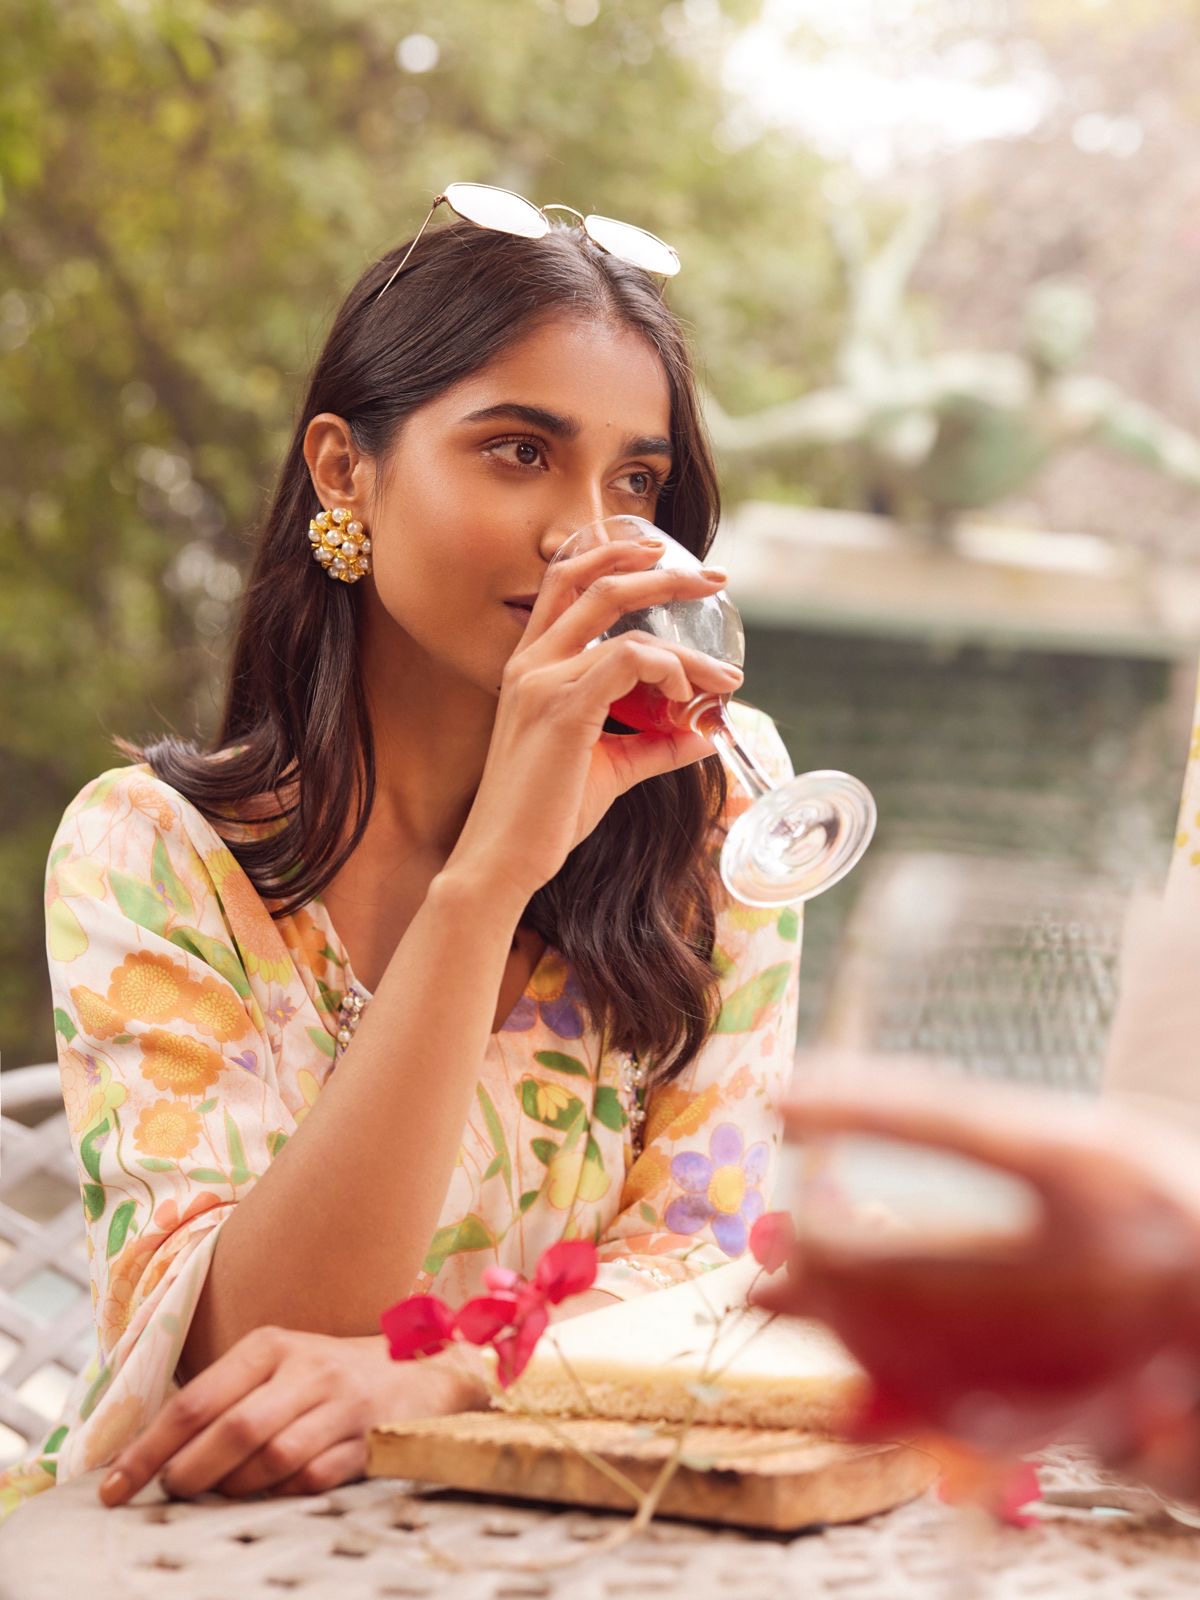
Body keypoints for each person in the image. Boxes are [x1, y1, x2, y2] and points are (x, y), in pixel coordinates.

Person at [0, 188, 803, 1519]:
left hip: (576, 1539)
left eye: (637, 479)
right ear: (343, 472)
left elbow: (712, 1269)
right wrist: (488, 880)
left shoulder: (705, 815)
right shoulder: (153, 853)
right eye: (515, 450)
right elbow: (253, 1344)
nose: (585, 534)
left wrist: (440, 1381)